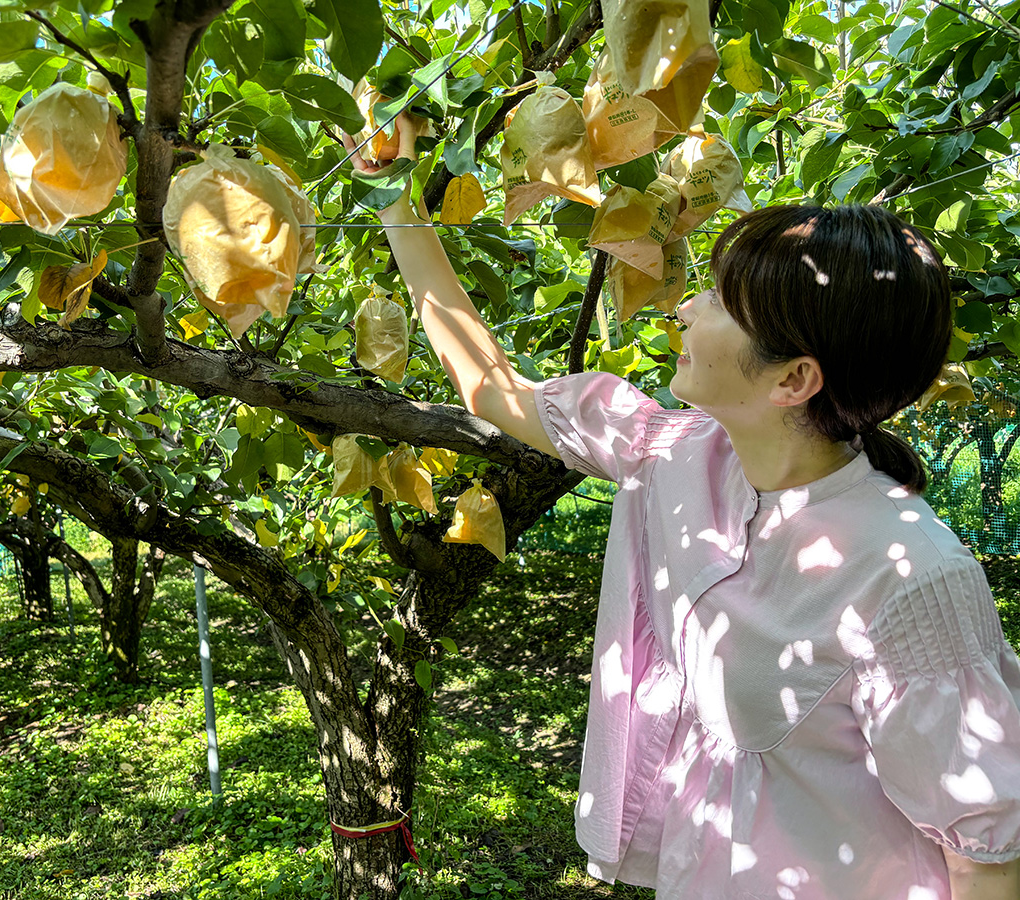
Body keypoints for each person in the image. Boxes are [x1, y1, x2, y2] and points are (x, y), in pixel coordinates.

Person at [345, 116, 1020, 899]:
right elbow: (489, 388)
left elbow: (988, 856)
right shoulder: (675, 455)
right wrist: (393, 193)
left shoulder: (911, 577)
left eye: (722, 301)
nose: (686, 307)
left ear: (793, 380)